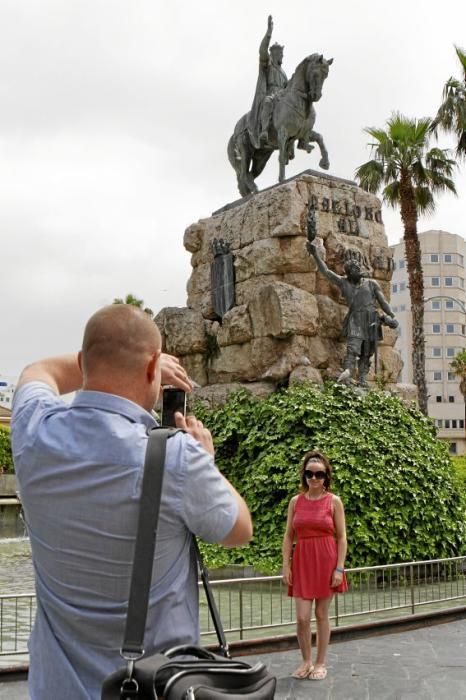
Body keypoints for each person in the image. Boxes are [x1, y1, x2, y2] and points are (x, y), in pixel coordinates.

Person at [11, 304, 253, 700]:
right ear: (152, 367)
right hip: (149, 688)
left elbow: (38, 371)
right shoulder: (177, 459)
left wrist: (100, 359)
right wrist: (207, 461)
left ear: (84, 362)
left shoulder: (35, 432)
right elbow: (239, 530)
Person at [282, 450, 348, 681]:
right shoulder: (295, 502)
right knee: (301, 617)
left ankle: (320, 662)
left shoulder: (334, 502)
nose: (314, 478)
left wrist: (339, 568)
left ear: (326, 476)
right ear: (304, 475)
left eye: (319, 474)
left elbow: (341, 537)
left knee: (321, 613)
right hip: (302, 561)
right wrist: (285, 566)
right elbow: (289, 536)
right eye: (310, 473)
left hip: (326, 560)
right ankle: (306, 661)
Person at [307, 233, 399, 387]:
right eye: (354, 270)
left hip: (371, 319)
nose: (357, 271)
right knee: (353, 348)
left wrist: (391, 315)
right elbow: (326, 272)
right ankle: (347, 376)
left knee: (367, 352)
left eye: (357, 268)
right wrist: (315, 253)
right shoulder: (344, 283)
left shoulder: (371, 284)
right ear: (349, 273)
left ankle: (362, 380)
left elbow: (382, 302)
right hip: (355, 319)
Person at [248, 15, 288, 148]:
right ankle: (264, 130)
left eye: (282, 53)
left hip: (282, 97)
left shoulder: (284, 73)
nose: (281, 55)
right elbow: (262, 51)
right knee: (267, 102)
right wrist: (268, 34)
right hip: (271, 94)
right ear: (274, 54)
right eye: (279, 53)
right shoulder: (268, 65)